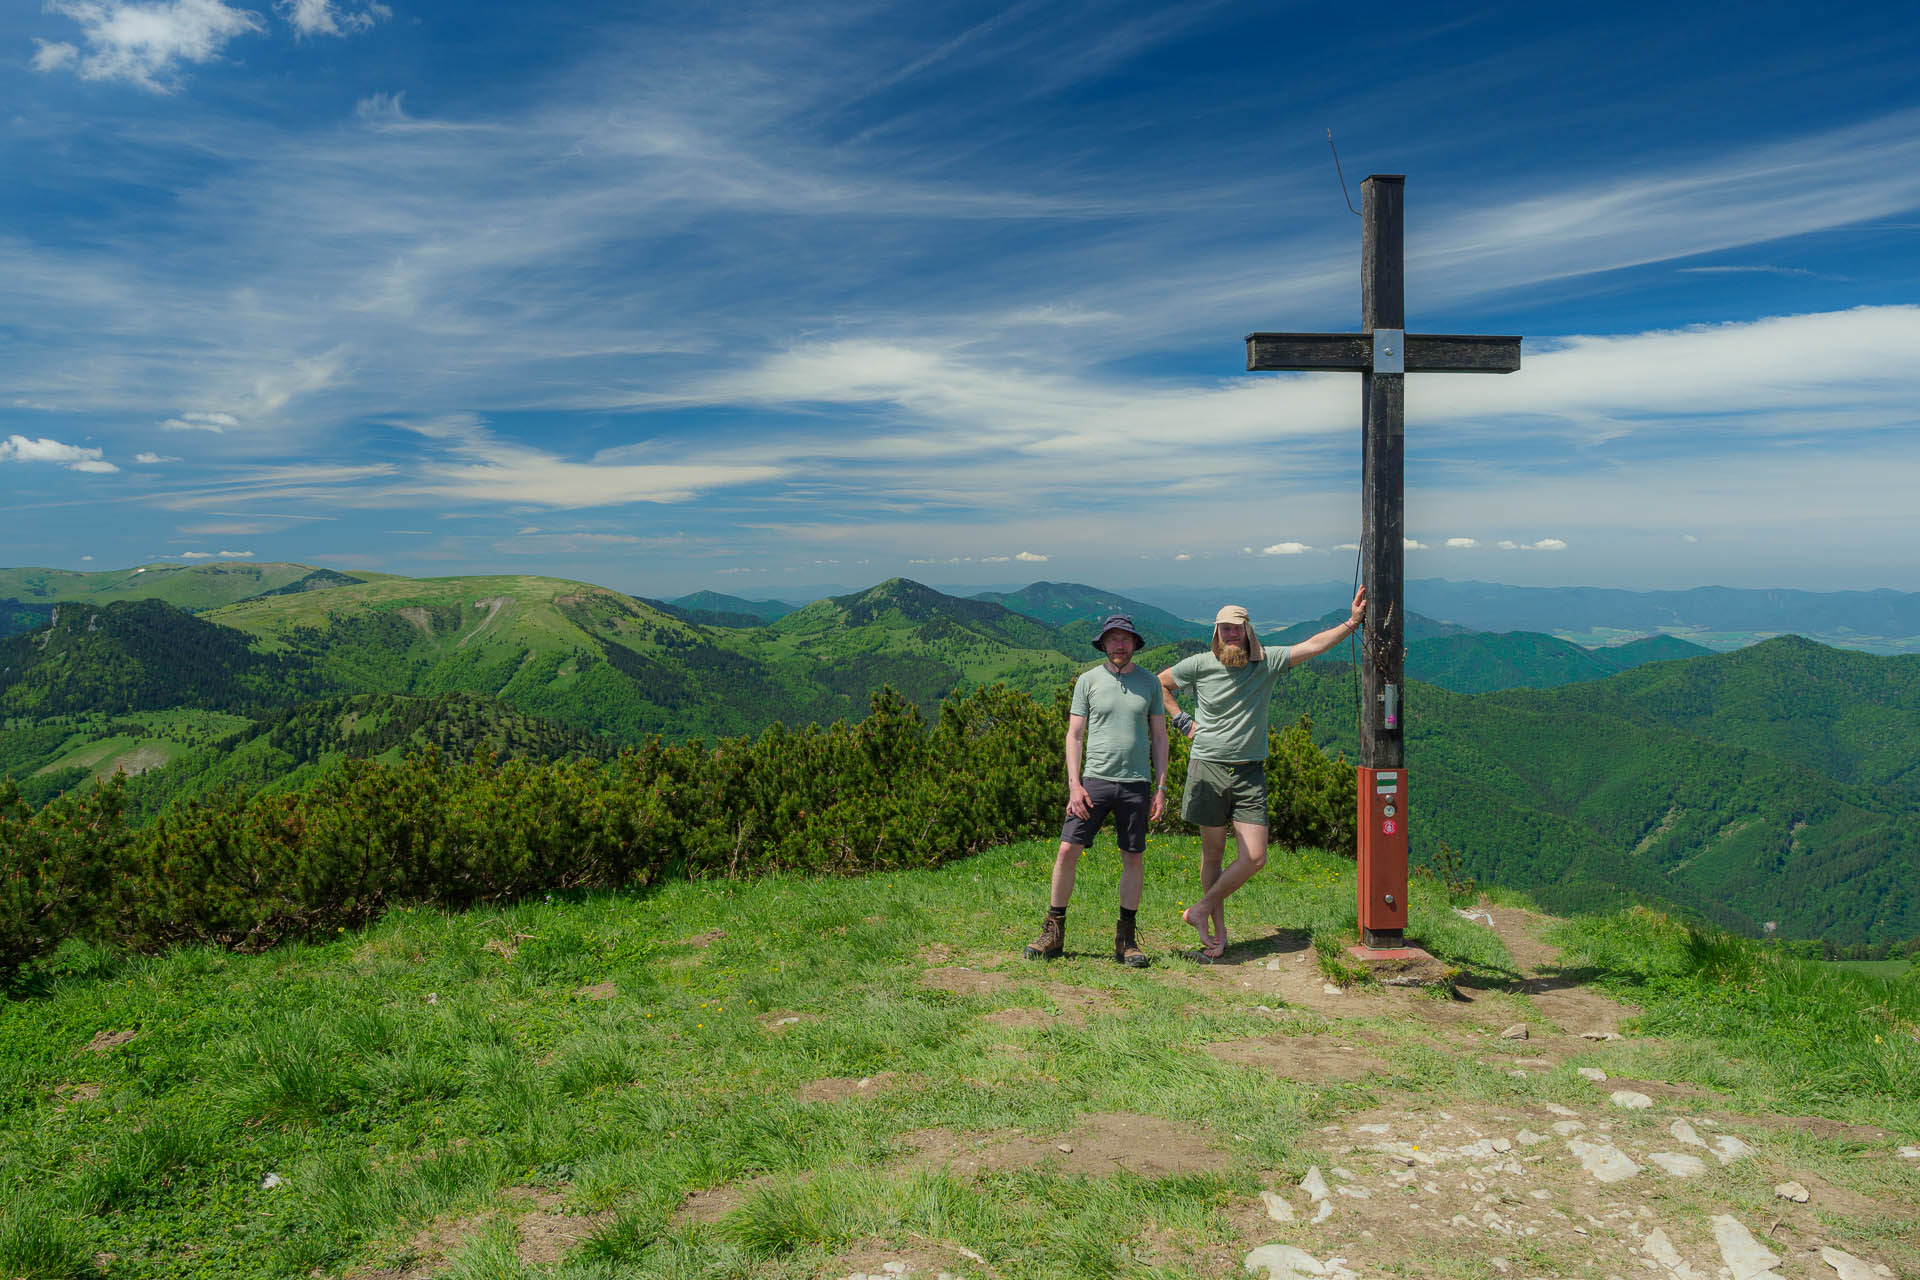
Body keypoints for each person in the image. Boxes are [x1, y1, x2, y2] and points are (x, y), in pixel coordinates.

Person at [1158, 589, 1365, 959]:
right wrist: (1182, 720)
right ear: (1216, 632)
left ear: (1248, 631)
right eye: (1224, 628)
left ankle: (1201, 909)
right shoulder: (1200, 664)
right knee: (1212, 855)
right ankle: (1217, 936)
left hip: (1249, 772)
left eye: (1236, 628)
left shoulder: (1267, 662)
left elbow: (1314, 645)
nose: (1230, 634)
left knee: (1254, 857)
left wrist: (1351, 623)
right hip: (1206, 767)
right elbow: (1160, 684)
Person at [1025, 614, 1170, 967]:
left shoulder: (1150, 683)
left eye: (1126, 639)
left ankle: (1127, 941)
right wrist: (1074, 785)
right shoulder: (1088, 680)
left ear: (1135, 644)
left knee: (1133, 857)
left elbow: (1160, 737)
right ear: (1103, 644)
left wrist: (1161, 786)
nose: (1119, 645)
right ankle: (1052, 933)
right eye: (1113, 639)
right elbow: (1074, 735)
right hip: (1093, 782)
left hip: (1136, 783)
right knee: (1066, 851)